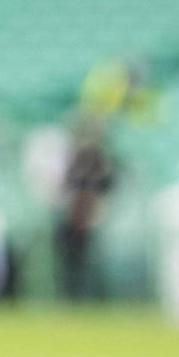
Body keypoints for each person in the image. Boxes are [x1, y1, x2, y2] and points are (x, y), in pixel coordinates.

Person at [56, 118, 116, 301]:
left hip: (89, 214)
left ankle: (93, 296)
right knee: (70, 258)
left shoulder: (99, 159)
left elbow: (106, 184)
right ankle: (72, 296)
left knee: (91, 259)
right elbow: (67, 185)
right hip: (75, 213)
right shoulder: (76, 157)